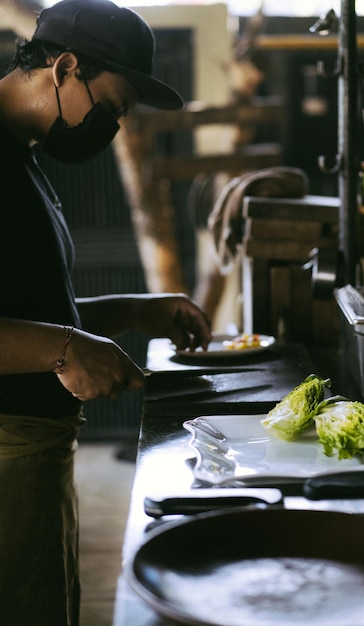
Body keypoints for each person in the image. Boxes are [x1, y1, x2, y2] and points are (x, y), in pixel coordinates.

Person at [0, 0, 211, 623]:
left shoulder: (22, 156)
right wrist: (66, 348)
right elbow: (49, 335)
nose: (113, 127)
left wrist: (132, 311)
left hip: (34, 451)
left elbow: (27, 311)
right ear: (65, 69)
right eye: (113, 107)